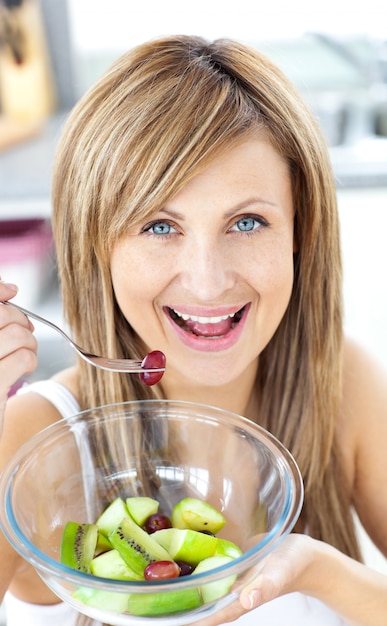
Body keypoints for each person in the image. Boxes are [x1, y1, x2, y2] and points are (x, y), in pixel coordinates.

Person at [0, 34, 386, 626]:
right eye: (158, 226)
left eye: (248, 221)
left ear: (301, 236)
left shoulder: (344, 385)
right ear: (96, 246)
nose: (208, 283)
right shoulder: (33, 440)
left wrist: (321, 572)